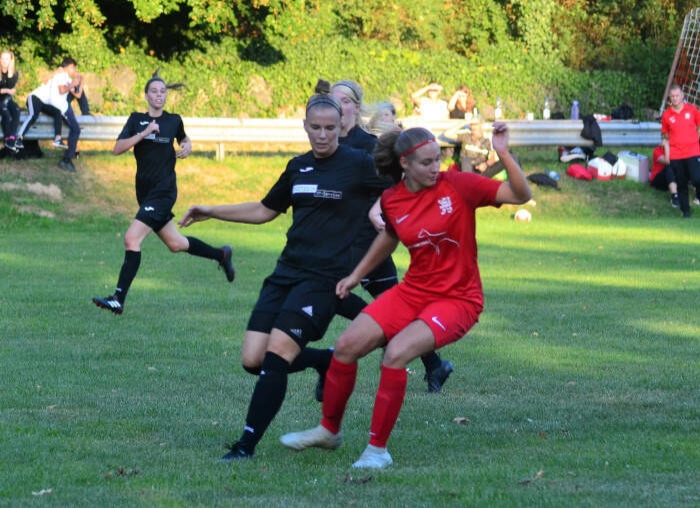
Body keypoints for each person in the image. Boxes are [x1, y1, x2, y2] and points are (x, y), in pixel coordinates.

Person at [279, 123, 532, 469]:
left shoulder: (458, 185)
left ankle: (377, 451)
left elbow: (520, 195)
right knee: (346, 346)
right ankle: (329, 430)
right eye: (426, 163)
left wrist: (503, 152)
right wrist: (355, 275)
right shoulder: (392, 199)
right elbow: (390, 236)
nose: (435, 169)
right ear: (405, 165)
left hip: (459, 299)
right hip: (414, 291)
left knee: (396, 353)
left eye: (437, 160)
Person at [177, 92, 390, 461]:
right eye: (315, 128)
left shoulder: (359, 163)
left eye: (330, 128)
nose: (322, 135)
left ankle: (245, 445)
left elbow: (399, 188)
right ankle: (324, 361)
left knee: (276, 355)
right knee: (252, 359)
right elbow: (264, 210)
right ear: (304, 127)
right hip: (284, 274)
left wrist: (380, 213)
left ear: (341, 127)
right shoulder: (298, 167)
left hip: (324, 279)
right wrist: (212, 210)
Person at [328, 78, 455, 395]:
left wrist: (376, 209)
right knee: (359, 302)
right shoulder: (327, 143)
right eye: (332, 100)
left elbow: (393, 185)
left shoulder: (366, 145)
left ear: (356, 108)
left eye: (344, 101)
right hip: (341, 241)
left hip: (370, 241)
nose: (337, 107)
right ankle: (434, 363)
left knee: (339, 296)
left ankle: (337, 359)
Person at [91, 71, 235, 315]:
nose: (159, 95)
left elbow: (183, 138)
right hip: (145, 193)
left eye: (163, 92)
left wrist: (187, 145)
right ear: (146, 95)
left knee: (131, 239)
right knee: (176, 244)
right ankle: (220, 254)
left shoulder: (173, 120)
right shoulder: (136, 119)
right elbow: (117, 148)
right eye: (154, 91)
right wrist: (144, 133)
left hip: (164, 190)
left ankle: (118, 299)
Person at [15, 57, 81, 172]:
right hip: (35, 98)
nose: (74, 70)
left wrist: (79, 81)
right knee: (33, 115)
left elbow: (77, 93)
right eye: (73, 68)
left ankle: (58, 139)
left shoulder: (65, 77)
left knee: (57, 113)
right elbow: (56, 86)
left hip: (47, 103)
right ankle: (19, 138)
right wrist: (58, 73)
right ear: (69, 67)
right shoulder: (60, 75)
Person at [660, 85, 700, 218]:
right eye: (672, 96)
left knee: (696, 178)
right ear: (670, 98)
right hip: (676, 155)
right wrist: (669, 149)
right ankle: (686, 212)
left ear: (682, 96)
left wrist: (695, 139)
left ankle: (698, 195)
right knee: (681, 184)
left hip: (692, 151)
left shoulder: (692, 110)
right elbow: (665, 135)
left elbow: (699, 126)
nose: (675, 98)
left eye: (677, 96)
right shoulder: (666, 115)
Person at [0, 50, 21, 152]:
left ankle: (12, 138)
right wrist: (6, 90)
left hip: (7, 100)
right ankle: (7, 139)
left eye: (6, 59)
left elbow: (10, 87)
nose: (4, 61)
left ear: (10, 60)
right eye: (2, 58)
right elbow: (9, 90)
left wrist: (9, 73)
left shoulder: (14, 73)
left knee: (16, 110)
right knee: (6, 113)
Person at [650, 143, 680, 208]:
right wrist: (666, 147)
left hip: (669, 180)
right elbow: (667, 161)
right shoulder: (657, 150)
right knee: (669, 166)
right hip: (657, 180)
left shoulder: (675, 149)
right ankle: (675, 196)